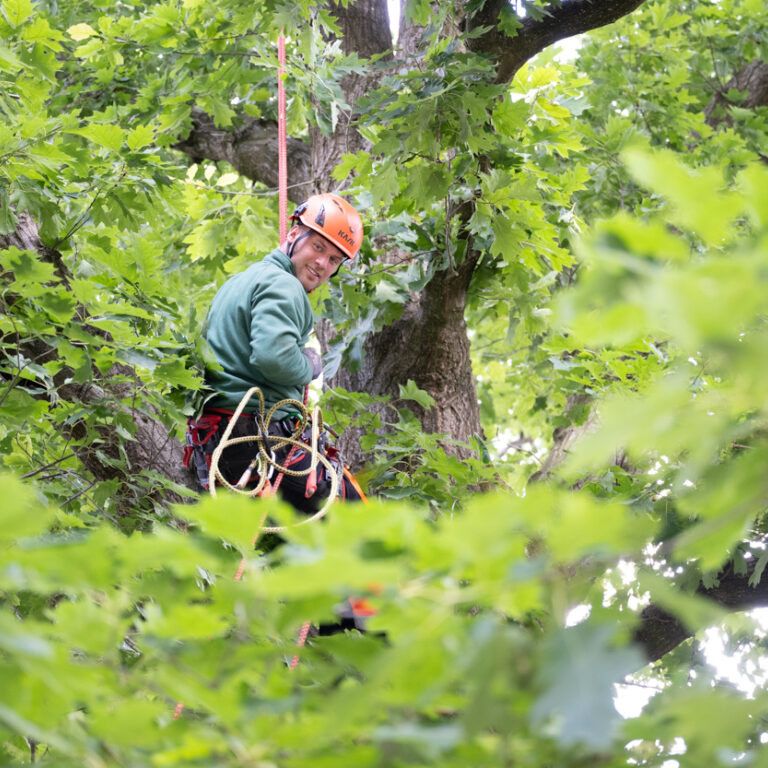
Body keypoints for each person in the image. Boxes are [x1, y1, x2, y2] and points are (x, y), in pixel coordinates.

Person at [184, 193, 366, 511]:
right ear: (294, 234)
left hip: (221, 449)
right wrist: (309, 365)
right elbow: (274, 357)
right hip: (262, 446)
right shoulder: (284, 285)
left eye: (334, 259)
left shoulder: (239, 282)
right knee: (362, 522)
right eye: (318, 247)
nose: (323, 263)